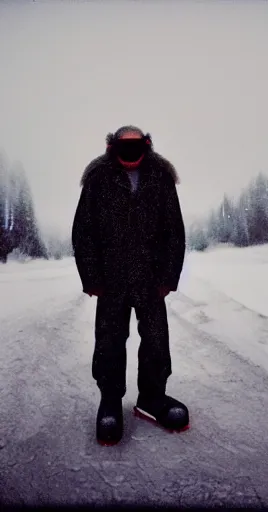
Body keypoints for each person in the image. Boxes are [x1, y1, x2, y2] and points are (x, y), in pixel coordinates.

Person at [72, 125, 188, 446]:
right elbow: (84, 232)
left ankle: (152, 398)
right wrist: (92, 278)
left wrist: (168, 277)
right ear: (113, 147)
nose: (130, 152)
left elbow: (173, 232)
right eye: (124, 146)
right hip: (111, 280)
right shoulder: (97, 179)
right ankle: (110, 401)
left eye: (136, 145)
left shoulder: (161, 178)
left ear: (146, 145)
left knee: (155, 338)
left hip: (150, 280)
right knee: (109, 340)